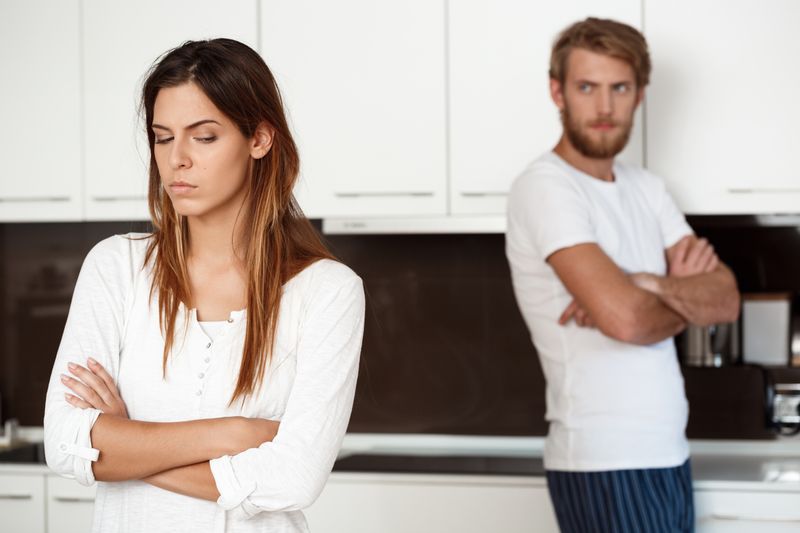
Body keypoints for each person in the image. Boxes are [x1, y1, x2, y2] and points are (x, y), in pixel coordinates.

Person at [43, 38, 365, 532]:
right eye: (163, 137)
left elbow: (294, 478)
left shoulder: (327, 291)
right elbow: (65, 443)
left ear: (259, 138)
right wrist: (237, 433)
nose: (177, 160)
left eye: (204, 136)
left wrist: (123, 444)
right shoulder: (116, 267)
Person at [506, 18, 740, 533]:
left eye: (620, 88)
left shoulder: (647, 188)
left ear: (640, 94)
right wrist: (670, 299)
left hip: (668, 450)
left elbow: (725, 300)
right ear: (557, 92)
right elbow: (628, 323)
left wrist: (644, 283)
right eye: (587, 87)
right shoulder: (546, 187)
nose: (605, 107)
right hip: (602, 460)